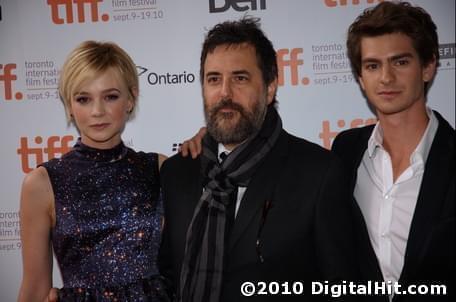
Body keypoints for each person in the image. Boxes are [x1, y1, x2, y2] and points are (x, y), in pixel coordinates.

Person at [159, 17, 359, 302]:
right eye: (213, 79)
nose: (225, 93)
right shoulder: (177, 173)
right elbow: (166, 276)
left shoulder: (318, 174)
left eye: (240, 78)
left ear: (269, 88)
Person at [18, 41, 169, 301]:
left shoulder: (159, 169)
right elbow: (34, 288)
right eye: (83, 99)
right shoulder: (43, 183)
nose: (97, 111)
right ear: (69, 106)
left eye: (110, 96)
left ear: (131, 99)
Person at [331, 2, 454, 301]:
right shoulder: (345, 151)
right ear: (360, 78)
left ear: (428, 67)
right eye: (372, 66)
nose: (385, 78)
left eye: (400, 62)